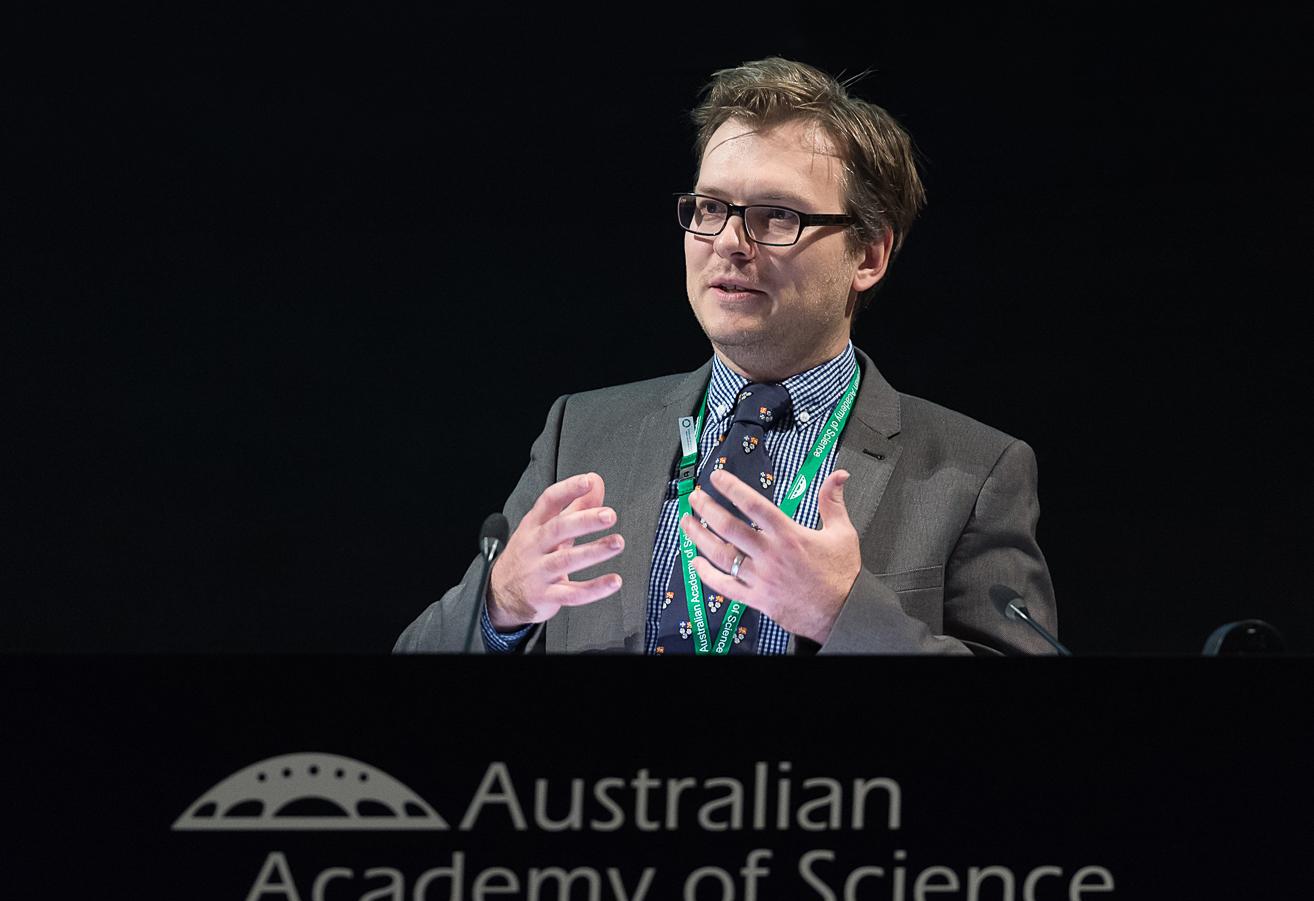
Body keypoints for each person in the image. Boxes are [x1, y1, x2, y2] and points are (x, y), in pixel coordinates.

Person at [396, 57, 1057, 655]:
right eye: (710, 208)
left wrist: (842, 615)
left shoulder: (974, 473)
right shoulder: (583, 436)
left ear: (870, 254)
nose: (729, 242)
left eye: (776, 216)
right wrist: (501, 608)